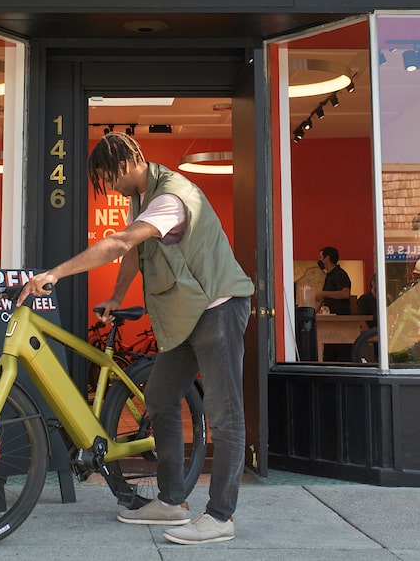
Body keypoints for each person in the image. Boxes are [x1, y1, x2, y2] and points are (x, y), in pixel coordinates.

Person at [21, 132, 254, 546]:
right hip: (187, 315)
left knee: (224, 413)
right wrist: (116, 295)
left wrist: (54, 273)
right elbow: (135, 252)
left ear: (126, 164)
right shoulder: (145, 199)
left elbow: (120, 242)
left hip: (217, 307)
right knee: (161, 399)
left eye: (109, 179)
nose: (109, 188)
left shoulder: (170, 198)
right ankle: (171, 501)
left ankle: (220, 516)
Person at [315, 246, 352, 315]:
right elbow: (323, 298)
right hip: (331, 316)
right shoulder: (329, 276)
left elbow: (345, 294)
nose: (319, 260)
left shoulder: (340, 274)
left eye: (320, 257)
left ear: (327, 258)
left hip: (340, 317)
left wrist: (324, 293)